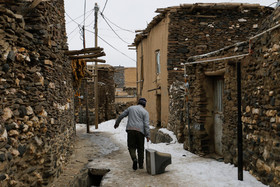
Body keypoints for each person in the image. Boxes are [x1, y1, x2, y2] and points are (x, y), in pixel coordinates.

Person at [114, 98, 150, 170]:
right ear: (144, 104)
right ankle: (140, 165)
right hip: (140, 132)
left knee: (131, 147)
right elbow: (146, 124)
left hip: (130, 130)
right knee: (140, 148)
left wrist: (117, 123)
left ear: (138, 102)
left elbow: (121, 116)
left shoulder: (131, 108)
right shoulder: (145, 112)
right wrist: (147, 135)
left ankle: (134, 159)